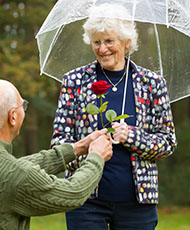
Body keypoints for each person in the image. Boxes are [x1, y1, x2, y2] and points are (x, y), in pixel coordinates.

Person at [50, 4, 177, 230]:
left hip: (138, 202)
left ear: (126, 42)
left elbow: (167, 142)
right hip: (85, 199)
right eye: (96, 42)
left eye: (109, 41)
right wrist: (88, 146)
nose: (102, 49)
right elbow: (59, 142)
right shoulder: (74, 82)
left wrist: (132, 137)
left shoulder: (152, 84)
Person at [0, 79, 113, 230]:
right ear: (12, 117)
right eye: (22, 106)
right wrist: (96, 157)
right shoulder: (14, 175)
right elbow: (73, 192)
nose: (24, 110)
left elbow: (12, 169)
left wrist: (77, 148)